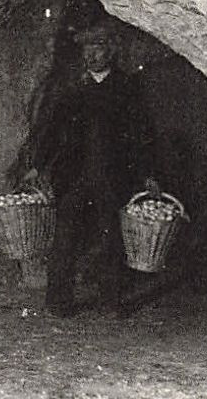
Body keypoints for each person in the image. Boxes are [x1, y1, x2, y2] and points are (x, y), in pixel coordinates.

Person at [25, 20, 158, 317]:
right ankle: (58, 301)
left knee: (111, 237)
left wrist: (148, 173)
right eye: (86, 49)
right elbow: (52, 128)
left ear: (110, 51)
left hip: (112, 174)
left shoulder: (126, 88)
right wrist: (38, 165)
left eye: (97, 48)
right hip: (74, 174)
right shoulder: (72, 87)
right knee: (65, 237)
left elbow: (141, 133)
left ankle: (111, 301)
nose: (91, 55)